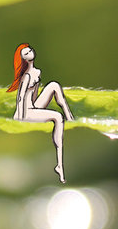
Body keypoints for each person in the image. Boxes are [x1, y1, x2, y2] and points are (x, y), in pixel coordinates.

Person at [8, 43, 75, 183]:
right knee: (57, 117)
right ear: (23, 59)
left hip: (33, 107)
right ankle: (59, 164)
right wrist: (20, 118)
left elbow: (33, 96)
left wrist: (39, 107)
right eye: (26, 53)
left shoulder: (37, 72)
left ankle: (70, 117)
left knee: (54, 85)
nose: (30, 52)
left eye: (30, 50)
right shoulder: (26, 76)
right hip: (25, 113)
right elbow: (20, 97)